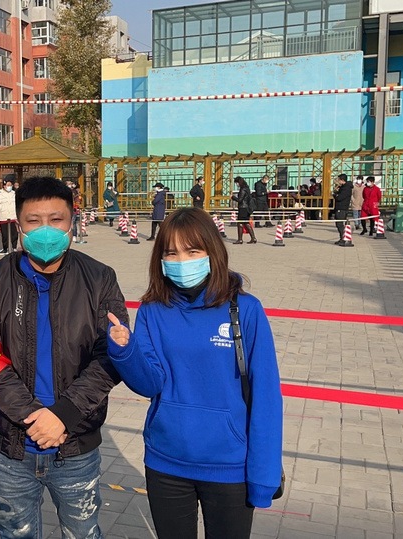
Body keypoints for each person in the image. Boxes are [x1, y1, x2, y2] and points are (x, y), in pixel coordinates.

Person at [0, 176, 129, 539]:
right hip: (12, 447)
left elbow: (111, 356)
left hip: (75, 446)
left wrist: (63, 415)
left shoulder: (100, 278)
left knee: (83, 533)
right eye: (34, 220)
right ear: (19, 225)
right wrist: (34, 417)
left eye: (56, 220)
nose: (45, 230)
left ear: (72, 221)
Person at [105, 208, 283, 539]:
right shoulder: (153, 310)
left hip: (229, 467)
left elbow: (267, 398)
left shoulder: (245, 309)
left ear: (212, 252)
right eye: (171, 253)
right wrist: (124, 350)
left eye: (192, 251)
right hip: (166, 462)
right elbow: (150, 384)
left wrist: (264, 476)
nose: (181, 261)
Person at [0, 178, 18, 255]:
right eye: (8, 185)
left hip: (13, 216)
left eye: (10, 185)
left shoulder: (14, 194)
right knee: (5, 234)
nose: (9, 186)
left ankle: (14, 247)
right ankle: (5, 248)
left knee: (14, 233)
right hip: (3, 217)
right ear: (4, 185)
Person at [231, 176, 256, 244]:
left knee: (240, 223)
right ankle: (253, 238)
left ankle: (240, 239)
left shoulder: (242, 189)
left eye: (237, 183)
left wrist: (233, 197)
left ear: (239, 182)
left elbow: (240, 200)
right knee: (246, 223)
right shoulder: (247, 188)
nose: (236, 184)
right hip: (246, 208)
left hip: (243, 208)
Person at [333, 173, 353, 245]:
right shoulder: (342, 187)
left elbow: (339, 198)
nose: (338, 181)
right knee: (338, 224)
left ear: (342, 180)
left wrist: (335, 195)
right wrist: (336, 192)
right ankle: (342, 238)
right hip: (339, 207)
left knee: (340, 224)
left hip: (342, 208)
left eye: (338, 180)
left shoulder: (346, 188)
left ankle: (343, 238)